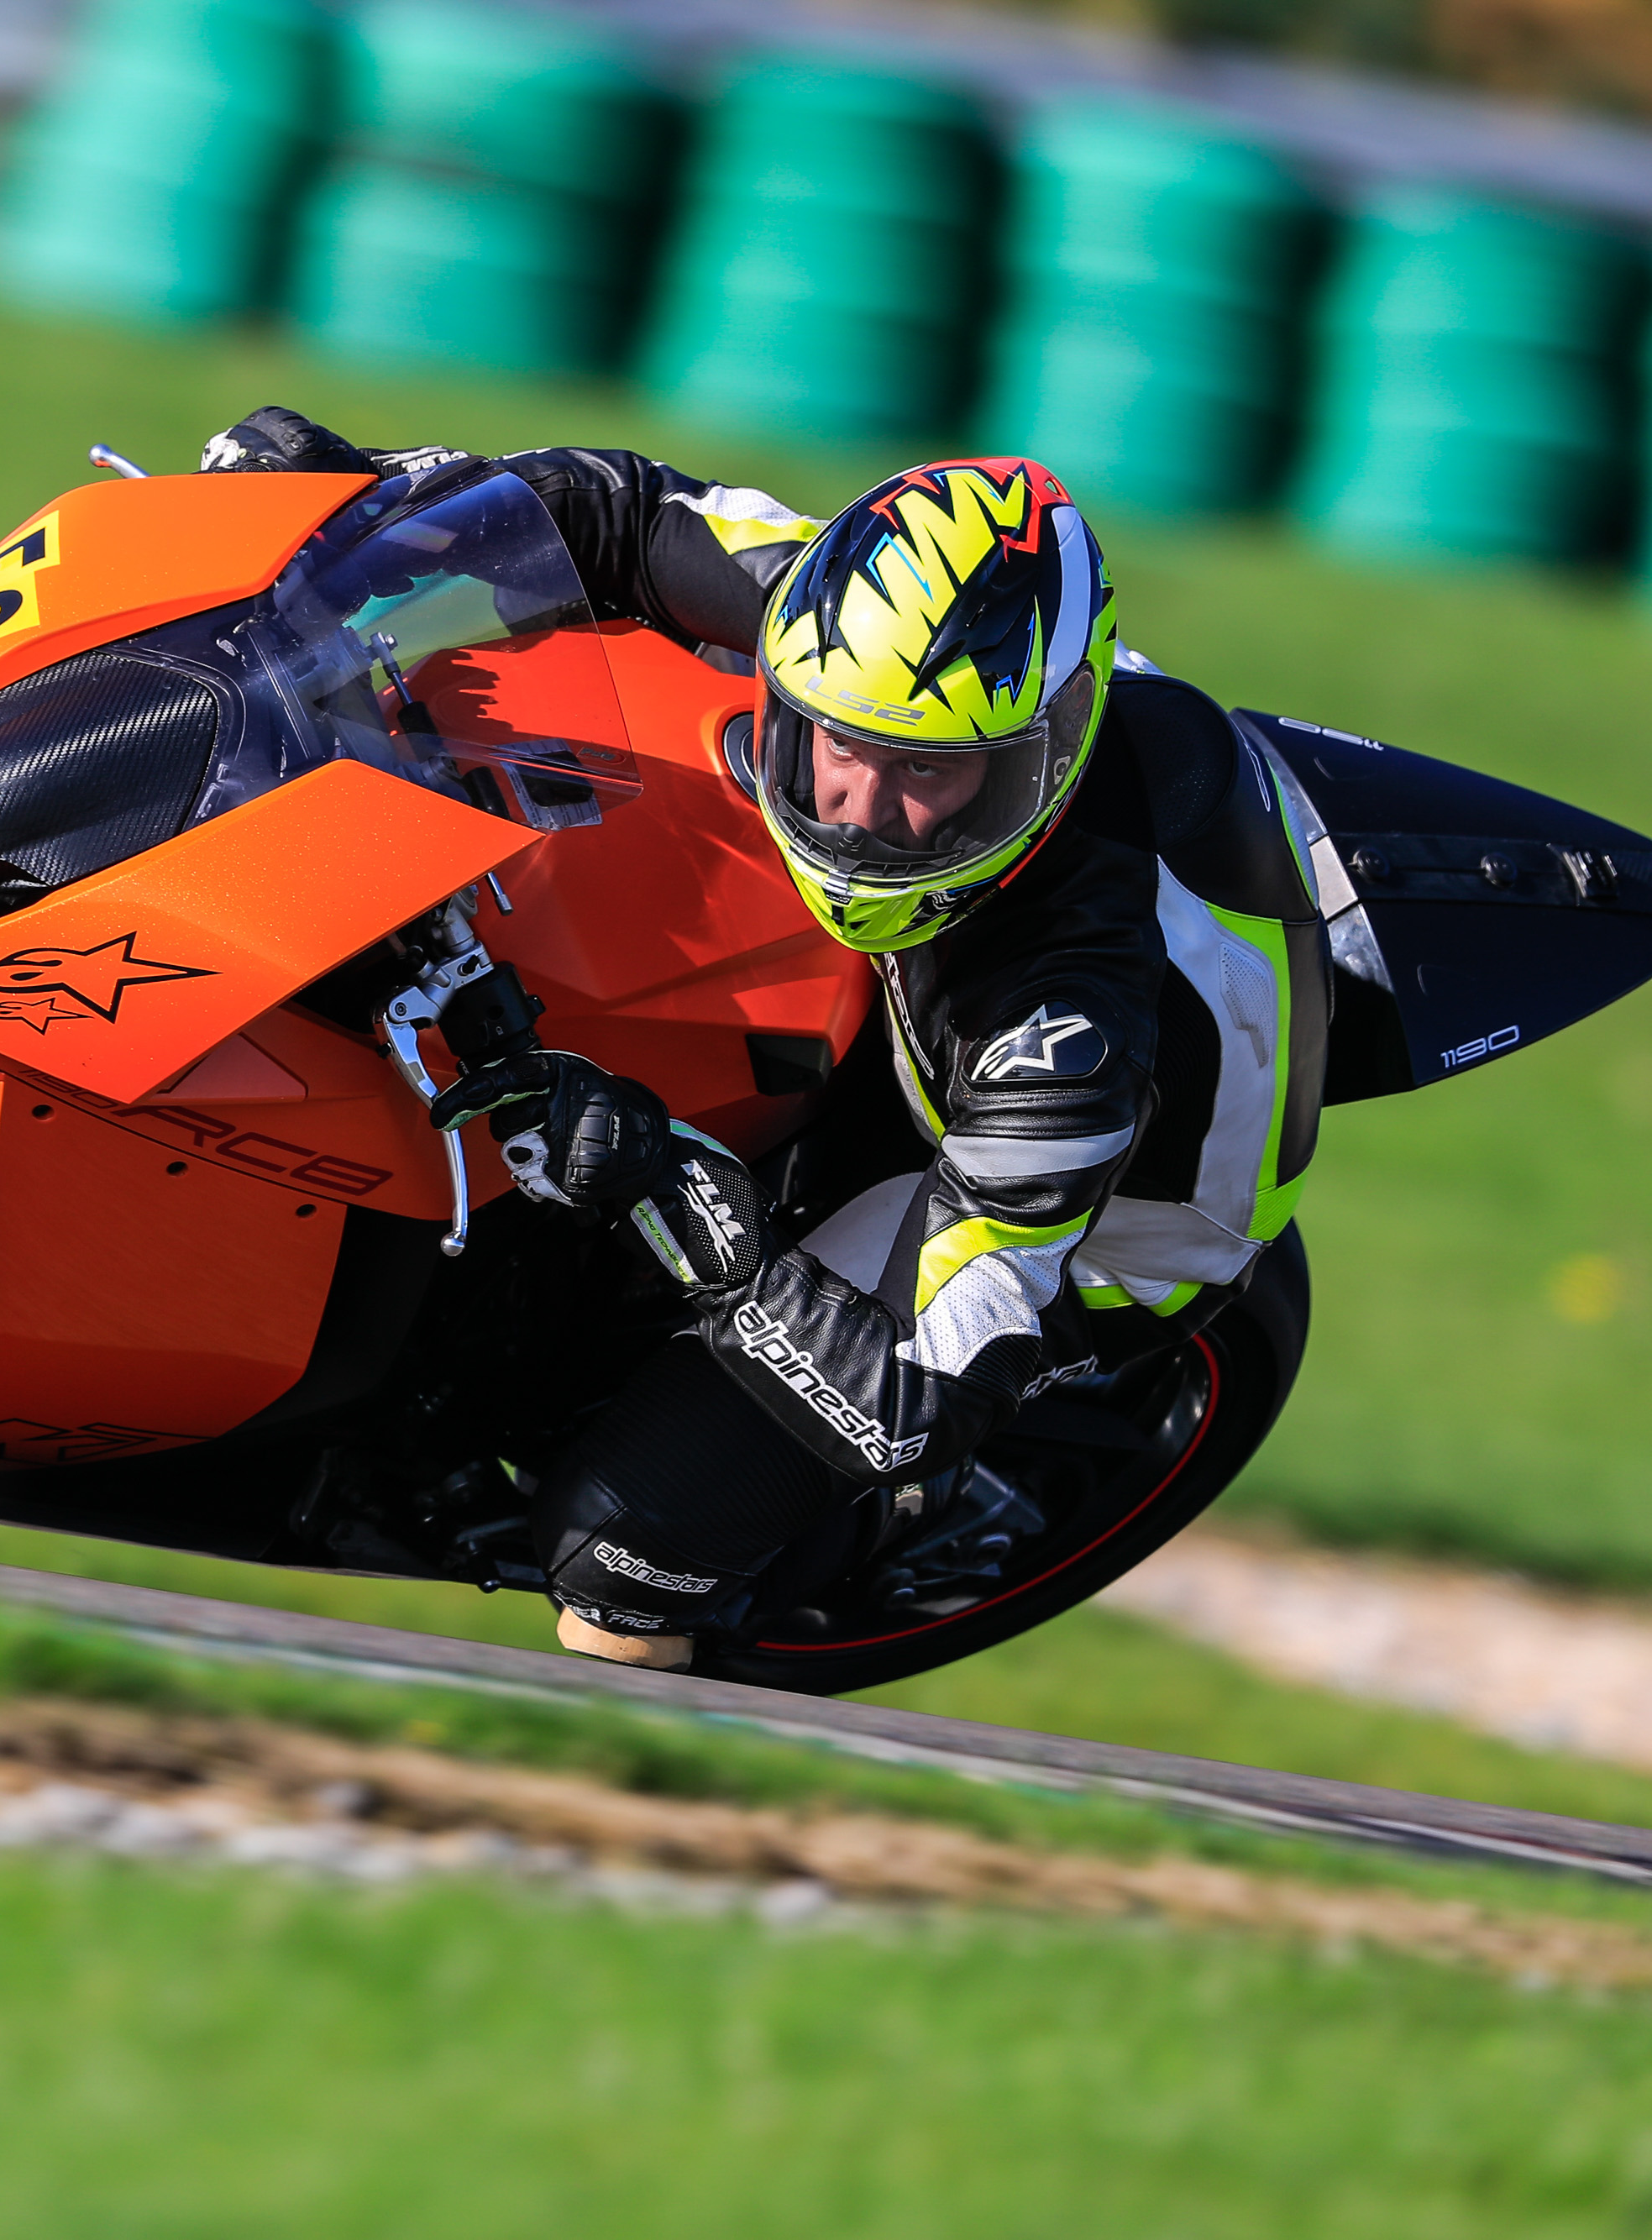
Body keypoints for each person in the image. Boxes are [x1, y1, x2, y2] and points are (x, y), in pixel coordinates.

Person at [200, 408, 1327, 1669]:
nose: (858, 807)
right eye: (837, 740)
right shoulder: (854, 630)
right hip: (937, 1002)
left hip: (1087, 1228)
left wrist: (671, 1188)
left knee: (612, 1562)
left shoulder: (1066, 1026)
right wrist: (357, 518)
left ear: (1040, 765)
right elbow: (612, 510)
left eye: (927, 774)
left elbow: (921, 1385)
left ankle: (889, 1533)